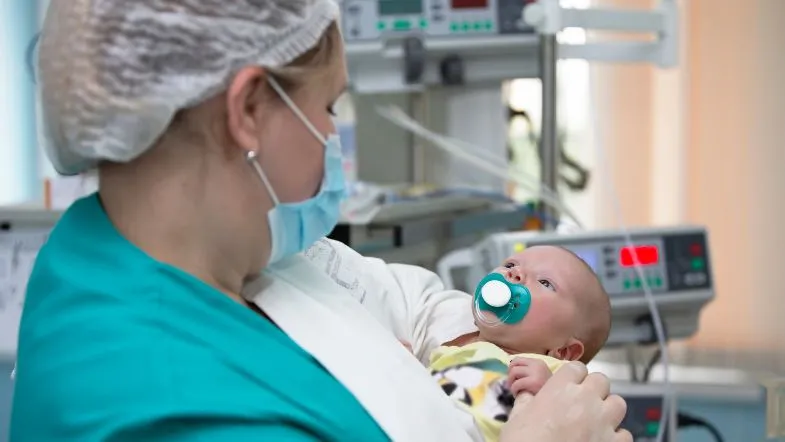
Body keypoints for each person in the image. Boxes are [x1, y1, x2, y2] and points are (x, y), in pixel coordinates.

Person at [10, 1, 630, 441]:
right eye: (327, 106)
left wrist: (489, 343)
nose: (333, 135)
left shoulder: (224, 254)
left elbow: (415, 302)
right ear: (250, 109)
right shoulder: (162, 402)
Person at [427, 245, 612, 441]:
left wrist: (548, 389)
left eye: (545, 282)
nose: (515, 273)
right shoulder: (453, 347)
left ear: (564, 351)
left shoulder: (550, 371)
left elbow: (571, 415)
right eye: (510, 264)